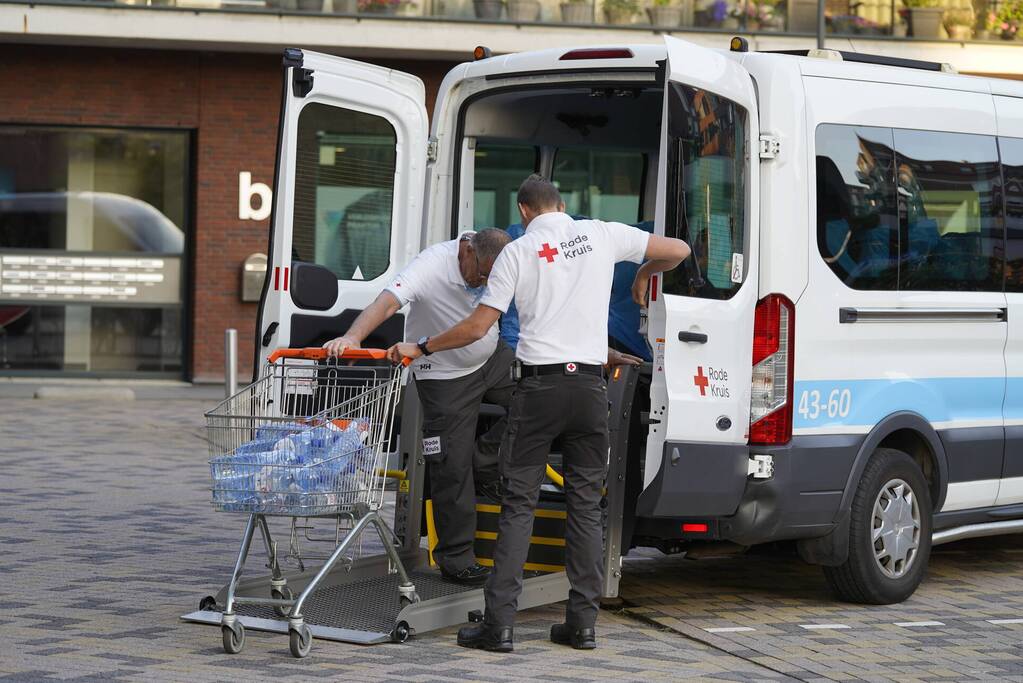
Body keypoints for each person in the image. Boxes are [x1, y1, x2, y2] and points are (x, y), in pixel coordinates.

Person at [387, 174, 690, 652]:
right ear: (563, 204)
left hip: (539, 391)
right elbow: (678, 250)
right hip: (591, 391)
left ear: (524, 211)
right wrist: (644, 272)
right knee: (587, 508)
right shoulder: (600, 234)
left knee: (518, 507)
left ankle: (499, 625)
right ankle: (582, 624)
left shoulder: (518, 252)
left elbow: (476, 328)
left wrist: (420, 345)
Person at [323, 228, 514, 586]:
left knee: (538, 397)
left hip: (491, 358)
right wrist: (353, 337)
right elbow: (387, 303)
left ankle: (485, 462)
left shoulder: (497, 263)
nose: (486, 282)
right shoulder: (431, 265)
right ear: (467, 251)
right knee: (450, 468)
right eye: (483, 274)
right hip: (443, 376)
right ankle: (457, 560)